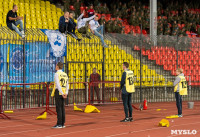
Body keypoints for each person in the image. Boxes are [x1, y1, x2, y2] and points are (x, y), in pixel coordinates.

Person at [51, 62, 69, 128]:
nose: (55, 66)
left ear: (57, 66)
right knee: (62, 108)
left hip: (59, 92)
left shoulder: (56, 74)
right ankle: (62, 123)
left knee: (58, 108)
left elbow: (58, 85)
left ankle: (59, 124)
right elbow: (67, 84)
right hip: (64, 91)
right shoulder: (65, 74)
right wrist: (65, 93)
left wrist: (61, 92)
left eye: (56, 65)